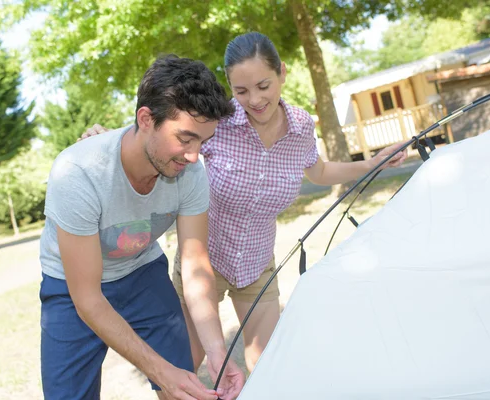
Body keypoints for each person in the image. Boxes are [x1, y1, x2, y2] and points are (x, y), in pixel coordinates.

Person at [81, 32, 407, 375]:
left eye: (263, 85)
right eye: (241, 91)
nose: (254, 99)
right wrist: (104, 139)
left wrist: (372, 164)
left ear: (281, 72)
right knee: (183, 368)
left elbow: (319, 170)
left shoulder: (299, 128)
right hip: (204, 263)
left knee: (269, 367)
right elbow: (160, 137)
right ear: (230, 87)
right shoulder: (218, 122)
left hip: (257, 265)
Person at [39, 55, 245, 400]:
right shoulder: (77, 173)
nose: (194, 156)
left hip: (142, 273)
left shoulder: (190, 172)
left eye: (202, 142)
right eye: (185, 138)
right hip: (72, 287)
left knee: (185, 387)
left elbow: (195, 265)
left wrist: (217, 352)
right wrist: (160, 371)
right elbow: (88, 298)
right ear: (146, 119)